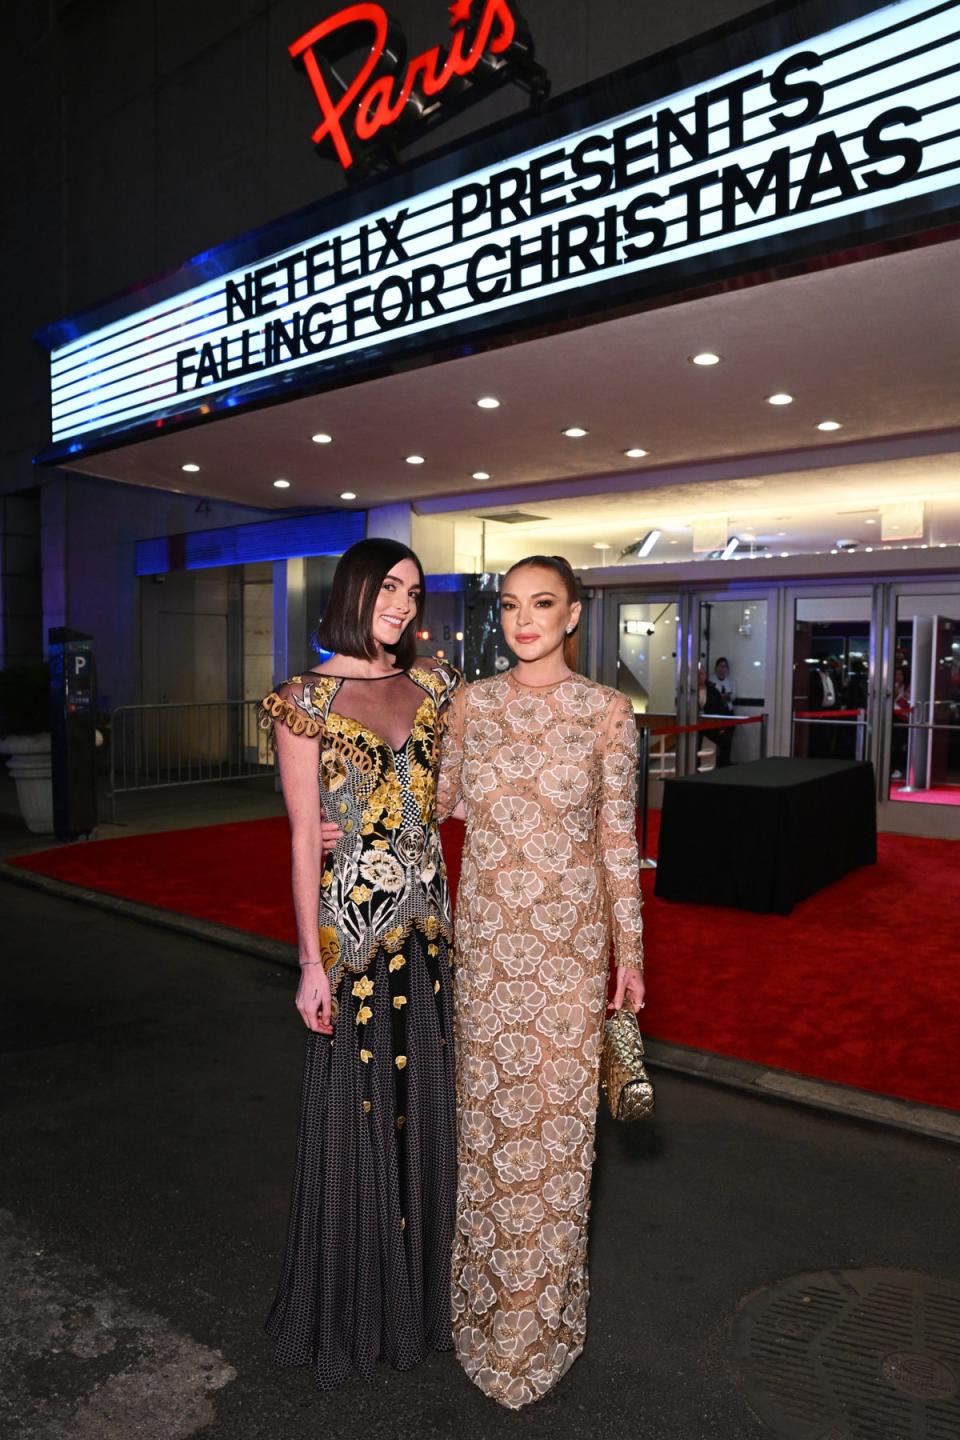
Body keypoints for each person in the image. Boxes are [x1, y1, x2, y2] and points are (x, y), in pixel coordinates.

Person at [437, 553, 645, 1409]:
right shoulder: (467, 706)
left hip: (566, 955)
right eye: (512, 605)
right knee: (488, 1136)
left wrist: (630, 954)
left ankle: (539, 1324)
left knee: (557, 1149)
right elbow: (426, 805)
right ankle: (481, 1312)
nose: (525, 620)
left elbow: (619, 841)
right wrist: (343, 821)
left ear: (571, 616)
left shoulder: (606, 713)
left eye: (543, 604)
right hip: (485, 952)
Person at [257, 538, 461, 1389]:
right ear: (355, 590)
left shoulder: (435, 686)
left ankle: (426, 1298)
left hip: (432, 935)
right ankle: (360, 1305)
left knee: (429, 1113)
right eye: (389, 588)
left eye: (414, 591)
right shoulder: (302, 700)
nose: (403, 604)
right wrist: (309, 962)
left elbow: (450, 793)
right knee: (362, 1117)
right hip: (354, 940)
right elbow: (305, 835)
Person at [706, 656, 736, 766]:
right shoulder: (711, 680)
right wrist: (721, 696)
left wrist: (724, 696)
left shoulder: (731, 681)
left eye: (724, 666)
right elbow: (711, 696)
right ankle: (713, 763)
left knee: (728, 740)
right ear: (716, 667)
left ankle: (725, 762)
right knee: (716, 739)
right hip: (715, 713)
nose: (722, 668)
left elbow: (733, 696)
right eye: (720, 666)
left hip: (728, 712)